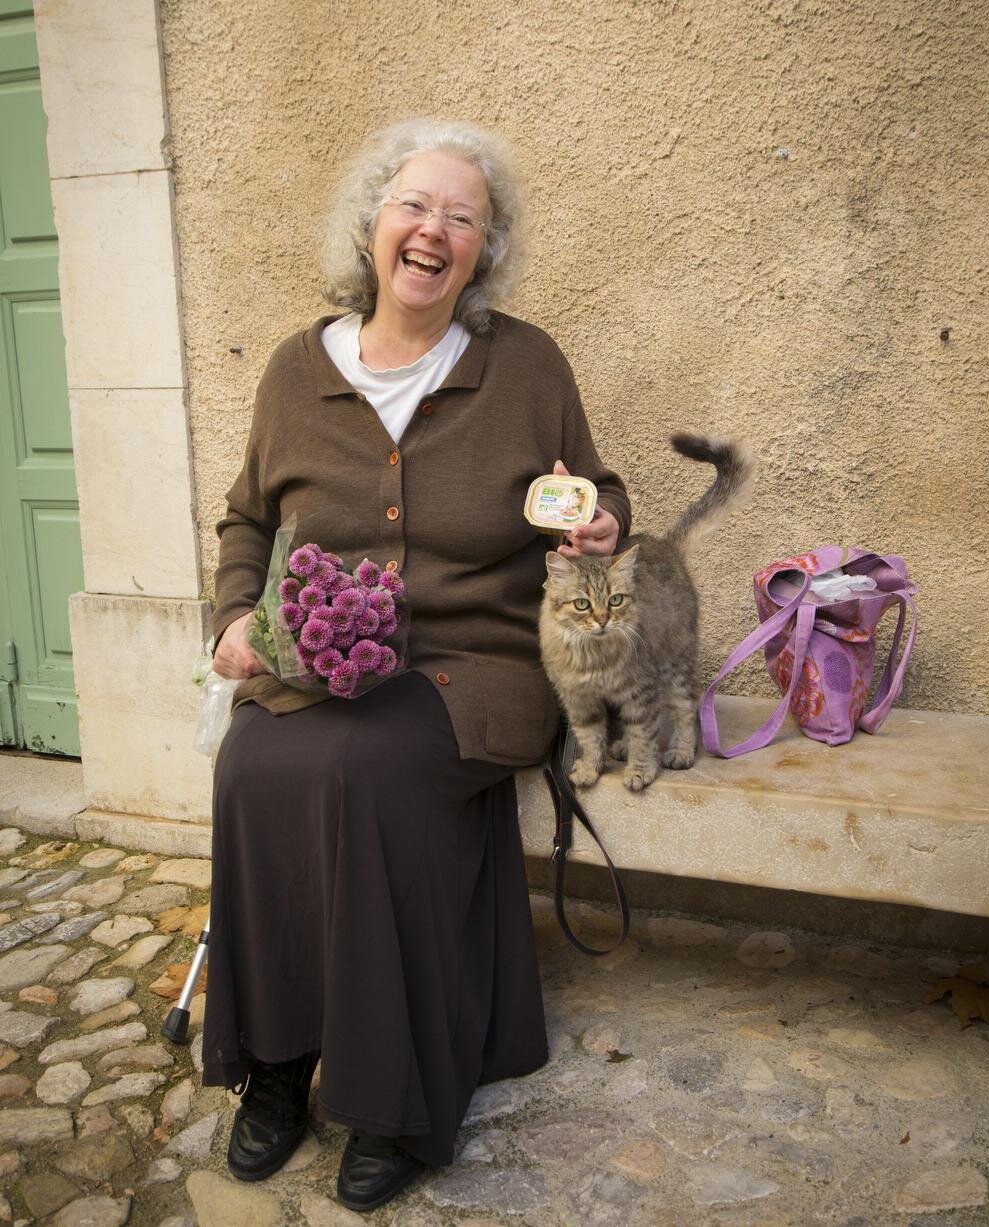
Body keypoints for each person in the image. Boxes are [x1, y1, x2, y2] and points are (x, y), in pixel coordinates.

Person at [205, 117, 631, 1213]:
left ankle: (396, 1098)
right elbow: (247, 520)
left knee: (369, 775)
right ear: (373, 226)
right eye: (414, 206)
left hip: (474, 664)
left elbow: (598, 491)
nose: (433, 231)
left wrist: (595, 527)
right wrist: (230, 619)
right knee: (253, 767)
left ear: (481, 252)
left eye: (462, 218)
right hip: (324, 650)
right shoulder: (299, 371)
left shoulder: (524, 364)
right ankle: (274, 1063)